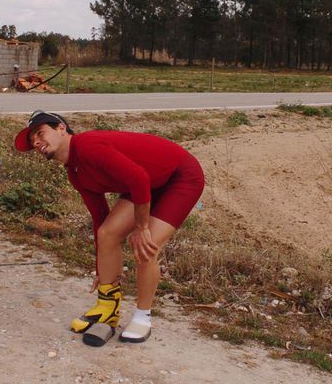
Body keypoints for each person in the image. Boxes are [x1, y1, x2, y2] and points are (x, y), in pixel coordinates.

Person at [14, 110, 205, 343]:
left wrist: (141, 227)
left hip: (179, 176)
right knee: (107, 232)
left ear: (61, 128)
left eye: (40, 133)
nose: (36, 142)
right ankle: (108, 307)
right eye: (32, 141)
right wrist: (101, 268)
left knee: (146, 245)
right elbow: (100, 220)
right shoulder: (75, 173)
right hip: (145, 182)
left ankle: (142, 318)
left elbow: (139, 179)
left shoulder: (87, 145)